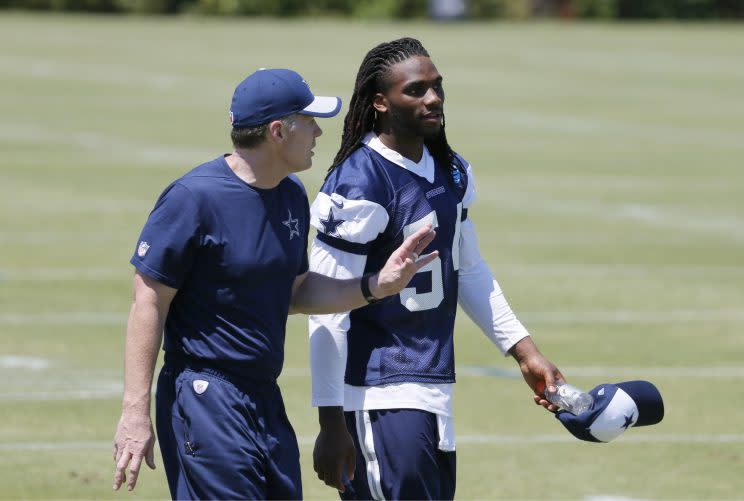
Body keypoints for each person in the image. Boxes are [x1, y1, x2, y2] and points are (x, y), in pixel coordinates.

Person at [112, 67, 439, 500]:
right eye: (308, 121)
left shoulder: (290, 195)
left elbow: (297, 291)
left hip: (264, 395)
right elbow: (148, 303)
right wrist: (135, 413)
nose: (319, 132)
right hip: (205, 395)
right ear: (278, 132)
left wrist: (377, 285)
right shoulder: (193, 198)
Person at [308, 38, 565, 500]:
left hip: (432, 389)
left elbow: (467, 269)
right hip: (378, 392)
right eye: (417, 90)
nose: (433, 98)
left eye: (437, 86)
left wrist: (524, 351)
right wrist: (330, 420)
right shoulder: (358, 181)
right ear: (380, 102)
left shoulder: (450, 169)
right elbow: (325, 308)